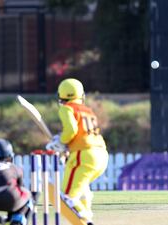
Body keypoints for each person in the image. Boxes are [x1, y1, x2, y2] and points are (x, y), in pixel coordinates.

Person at [46, 78, 108, 224]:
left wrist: (61, 142)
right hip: (101, 155)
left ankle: (86, 221)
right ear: (81, 95)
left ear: (61, 96)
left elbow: (71, 130)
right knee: (82, 190)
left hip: (85, 155)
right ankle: (87, 215)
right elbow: (81, 133)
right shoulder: (88, 111)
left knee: (67, 197)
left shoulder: (67, 108)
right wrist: (66, 145)